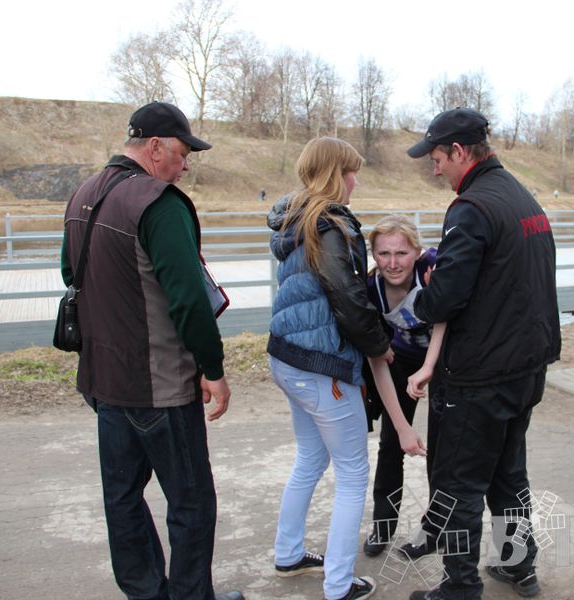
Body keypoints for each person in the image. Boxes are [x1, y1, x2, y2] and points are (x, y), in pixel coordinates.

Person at [60, 101, 243, 600]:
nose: (185, 166)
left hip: (103, 381)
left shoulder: (83, 195)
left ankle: (145, 593)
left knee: (122, 498)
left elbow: (69, 275)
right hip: (159, 384)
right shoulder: (158, 203)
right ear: (156, 146)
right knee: (191, 503)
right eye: (182, 154)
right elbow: (187, 299)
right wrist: (213, 368)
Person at [404, 108, 562, 600]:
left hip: (479, 375)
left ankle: (459, 586)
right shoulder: (521, 196)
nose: (435, 170)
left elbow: (446, 297)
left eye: (436, 159)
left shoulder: (471, 206)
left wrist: (423, 295)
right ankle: (519, 566)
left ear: (459, 151)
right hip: (526, 367)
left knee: (459, 483)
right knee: (508, 473)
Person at [266, 137, 425, 600]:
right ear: (337, 173)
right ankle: (339, 585)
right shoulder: (330, 225)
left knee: (311, 459)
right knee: (354, 475)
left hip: (287, 357)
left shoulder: (295, 220)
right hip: (321, 366)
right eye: (352, 171)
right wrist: (381, 344)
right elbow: (347, 296)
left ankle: (289, 553)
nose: (356, 180)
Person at [361, 215, 441, 557]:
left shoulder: (433, 269)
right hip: (403, 360)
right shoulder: (370, 288)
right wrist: (402, 425)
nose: (393, 263)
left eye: (402, 253)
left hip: (444, 362)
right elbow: (377, 357)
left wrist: (430, 368)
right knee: (392, 443)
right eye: (383, 254)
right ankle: (383, 526)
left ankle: (433, 530)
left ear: (417, 252)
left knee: (443, 448)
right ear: (374, 255)